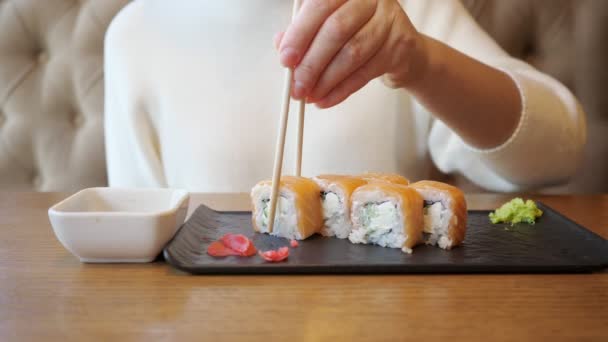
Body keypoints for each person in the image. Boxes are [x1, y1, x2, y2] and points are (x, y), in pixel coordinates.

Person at [104, 0, 586, 193]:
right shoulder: (136, 33)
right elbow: (142, 251)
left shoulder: (396, 8)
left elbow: (558, 149)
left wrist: (419, 63)